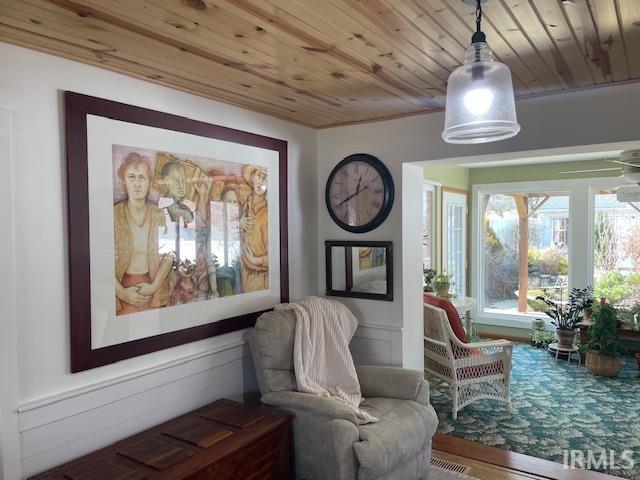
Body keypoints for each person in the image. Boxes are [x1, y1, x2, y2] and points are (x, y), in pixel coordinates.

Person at [114, 152, 172, 315]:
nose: (137, 183)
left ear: (150, 182)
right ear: (124, 182)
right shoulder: (113, 214)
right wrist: (121, 292)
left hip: (153, 290)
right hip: (122, 292)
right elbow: (99, 259)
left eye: (142, 177)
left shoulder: (160, 214)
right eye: (131, 177)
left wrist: (154, 286)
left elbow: (170, 254)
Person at [240, 165, 269, 292]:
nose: (261, 181)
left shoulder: (267, 214)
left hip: (260, 279)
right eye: (258, 175)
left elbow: (275, 257)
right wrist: (240, 224)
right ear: (252, 177)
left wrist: (255, 260)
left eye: (265, 177)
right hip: (245, 273)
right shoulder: (246, 205)